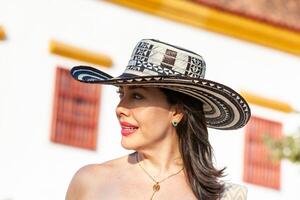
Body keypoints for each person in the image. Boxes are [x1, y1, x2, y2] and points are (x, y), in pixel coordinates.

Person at [66, 39, 251, 200]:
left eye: (137, 96)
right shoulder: (91, 181)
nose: (120, 108)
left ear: (177, 111)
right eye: (121, 94)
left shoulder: (224, 197)